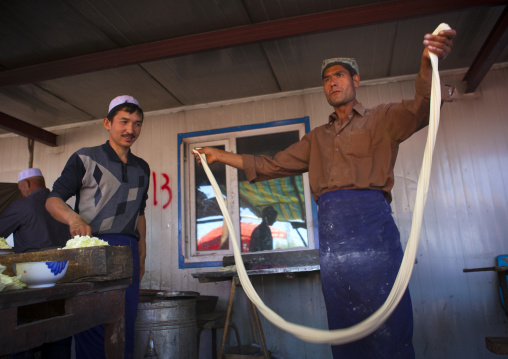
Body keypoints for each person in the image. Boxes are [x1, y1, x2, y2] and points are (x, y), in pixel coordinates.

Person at [194, 28, 458, 358]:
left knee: (388, 319)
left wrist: (427, 63)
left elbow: (424, 106)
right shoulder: (316, 139)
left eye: (339, 75)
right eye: (326, 79)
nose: (331, 82)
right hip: (334, 241)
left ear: (356, 80)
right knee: (344, 324)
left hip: (374, 233)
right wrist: (220, 156)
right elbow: (270, 165)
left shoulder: (382, 119)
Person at [46, 95, 150, 359]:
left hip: (127, 249)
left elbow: (140, 211)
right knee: (91, 321)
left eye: (137, 124)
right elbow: (53, 200)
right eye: (124, 121)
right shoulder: (85, 158)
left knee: (124, 321)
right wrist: (74, 219)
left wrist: (142, 250)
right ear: (107, 123)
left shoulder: (143, 168)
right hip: (91, 248)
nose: (130, 130)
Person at [0, 168, 72, 358]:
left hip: (31, 290)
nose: (21, 192)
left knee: (23, 343)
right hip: (63, 287)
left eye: (21, 189)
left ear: (27, 185)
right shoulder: (64, 207)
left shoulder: (23, 206)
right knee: (59, 343)